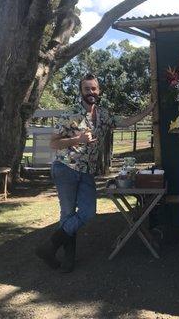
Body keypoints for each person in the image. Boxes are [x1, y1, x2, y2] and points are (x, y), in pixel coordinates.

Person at [35, 74, 155, 272]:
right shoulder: (70, 114)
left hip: (87, 171)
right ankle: (68, 260)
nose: (91, 92)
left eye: (94, 89)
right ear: (81, 91)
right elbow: (53, 143)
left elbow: (126, 122)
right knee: (67, 214)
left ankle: (50, 246)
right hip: (66, 169)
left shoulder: (103, 115)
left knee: (88, 212)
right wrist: (77, 140)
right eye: (87, 89)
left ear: (99, 91)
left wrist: (148, 110)